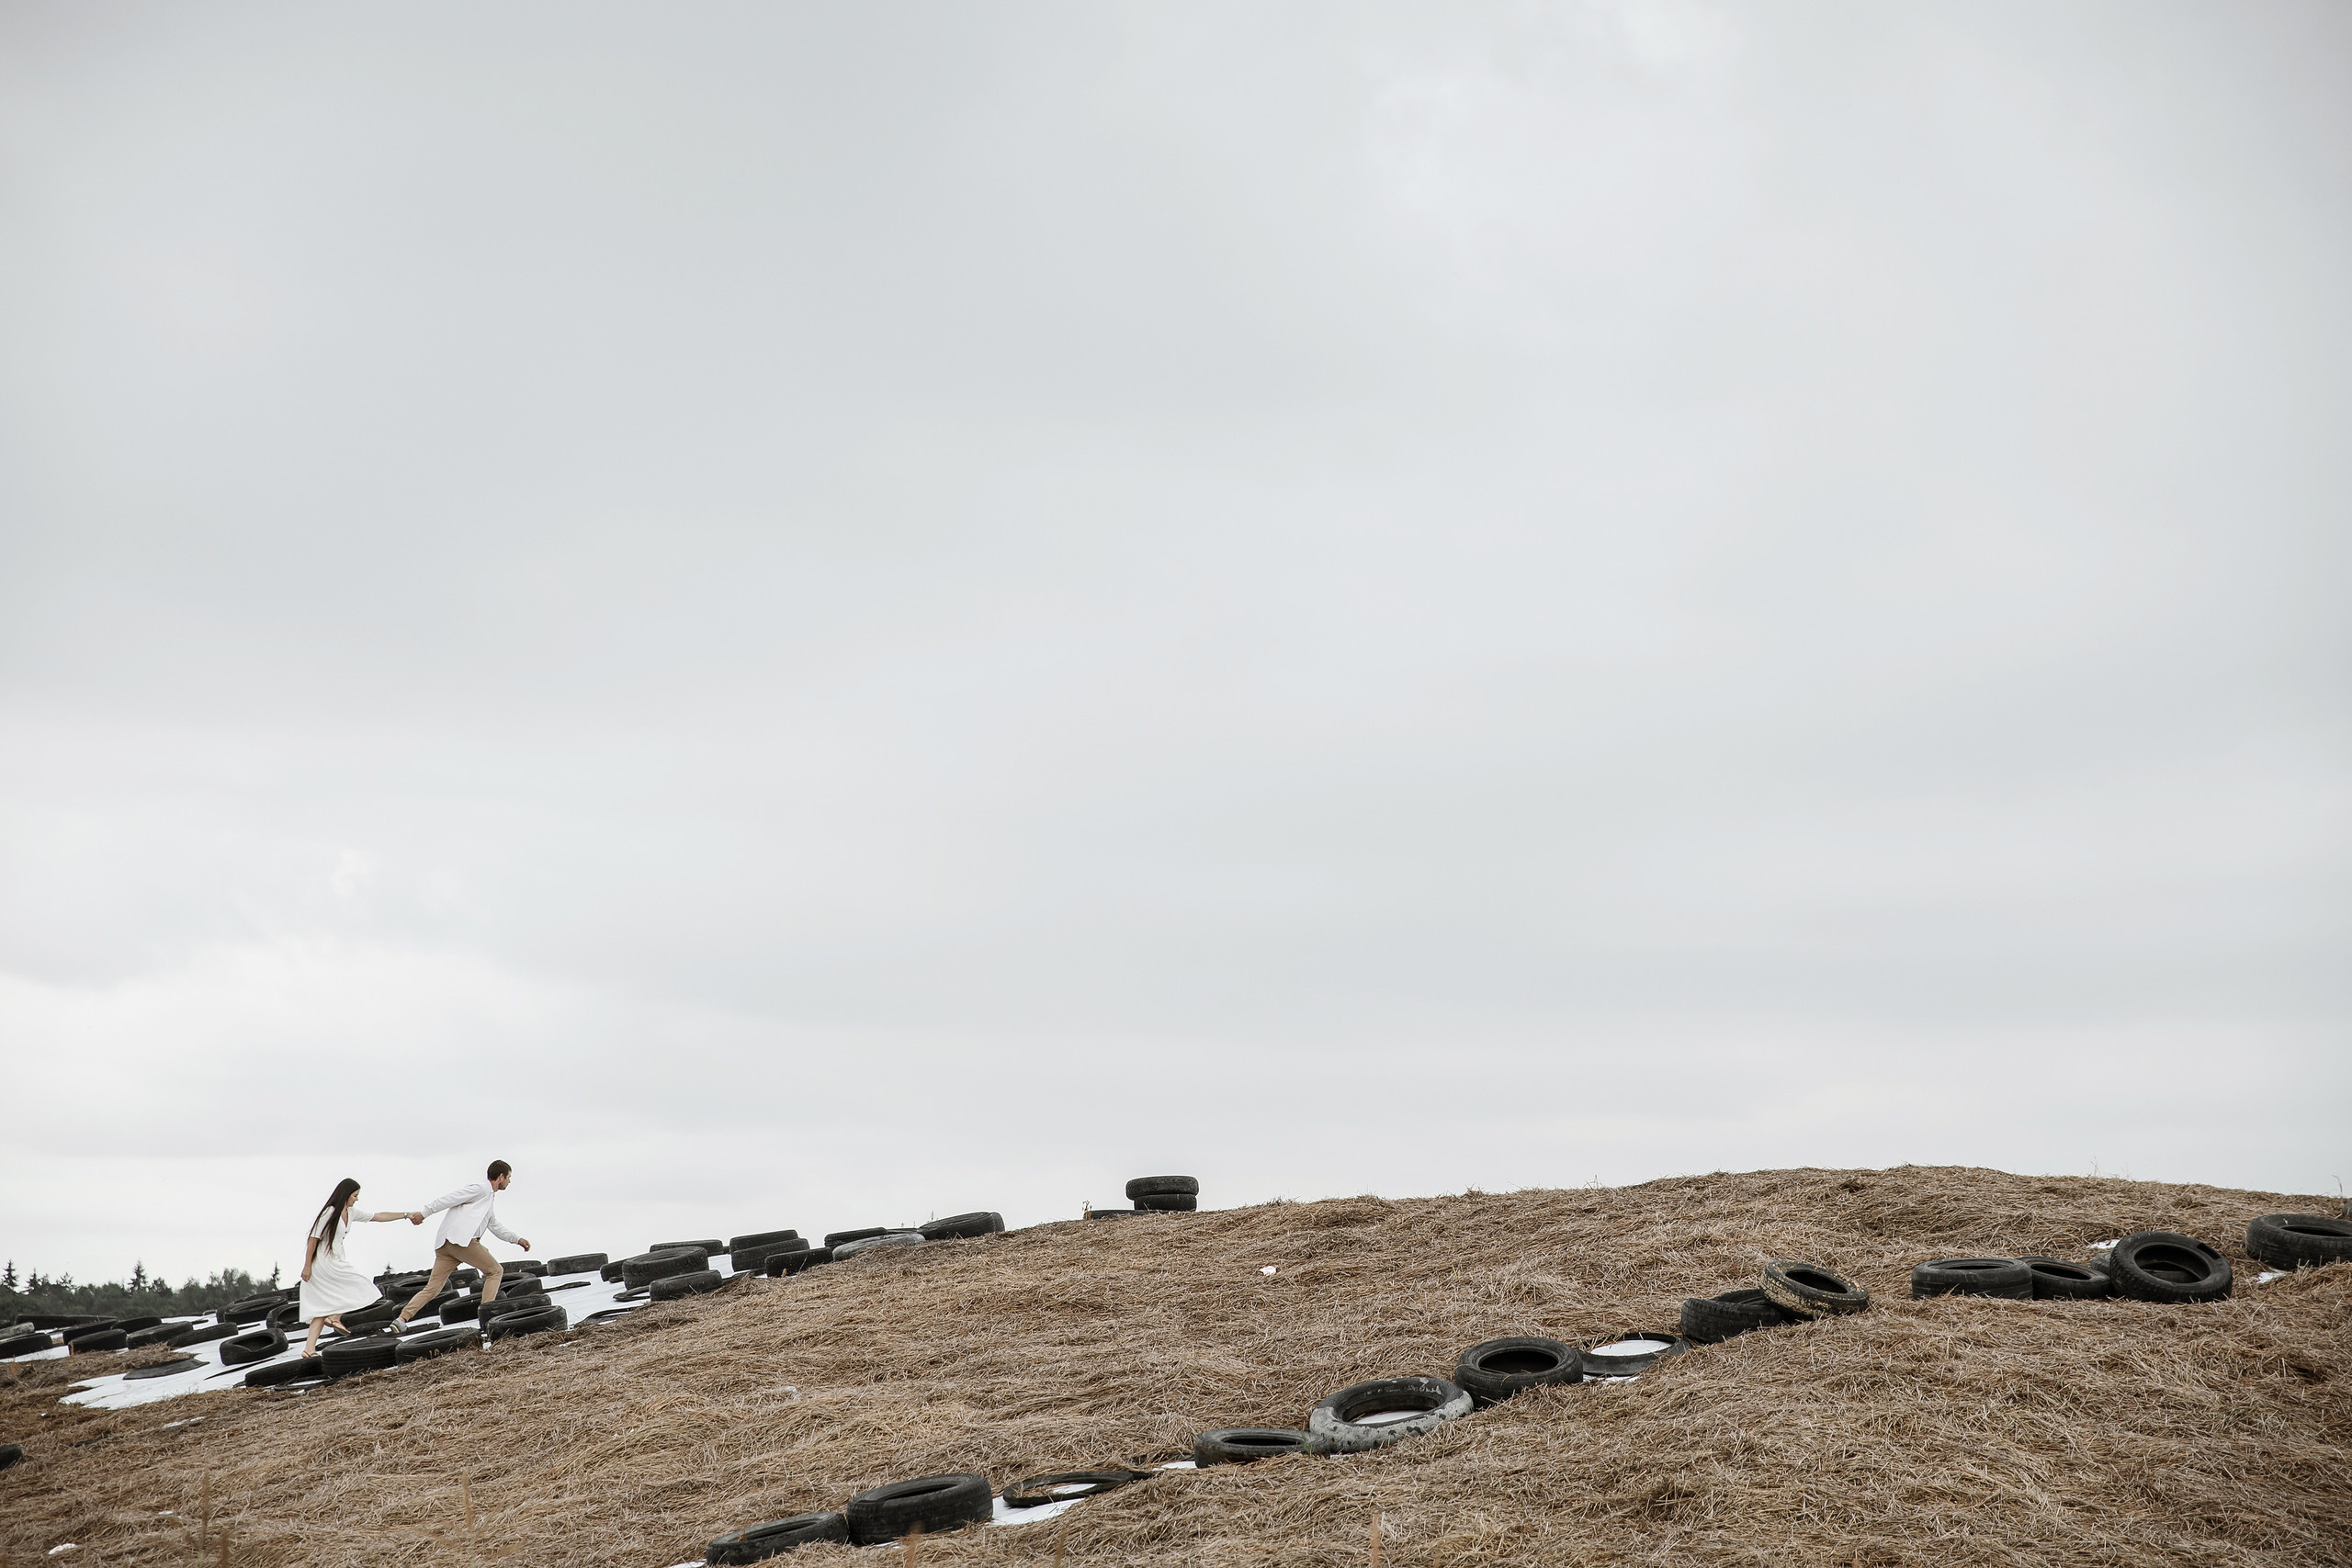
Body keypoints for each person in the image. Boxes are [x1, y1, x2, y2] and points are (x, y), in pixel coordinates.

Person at [389, 1159, 532, 1332]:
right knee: (495, 1271)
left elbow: (494, 1225)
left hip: (446, 1245)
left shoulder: (488, 1199)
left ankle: (401, 1319)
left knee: (433, 1287)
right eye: (509, 1177)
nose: (509, 1181)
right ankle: (487, 1319)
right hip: (461, 1243)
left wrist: (517, 1239)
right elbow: (450, 1198)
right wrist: (424, 1213)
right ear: (501, 1177)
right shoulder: (481, 1189)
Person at [300, 1178, 410, 1356]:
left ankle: (309, 1349)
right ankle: (335, 1317)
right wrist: (307, 1266)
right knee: (362, 1285)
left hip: (335, 1259)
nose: (356, 1199)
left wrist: (406, 1214)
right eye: (355, 1195)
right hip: (325, 1262)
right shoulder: (330, 1212)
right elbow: (312, 1240)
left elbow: (378, 1217)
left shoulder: (351, 1212)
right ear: (346, 1194)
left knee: (322, 1307)